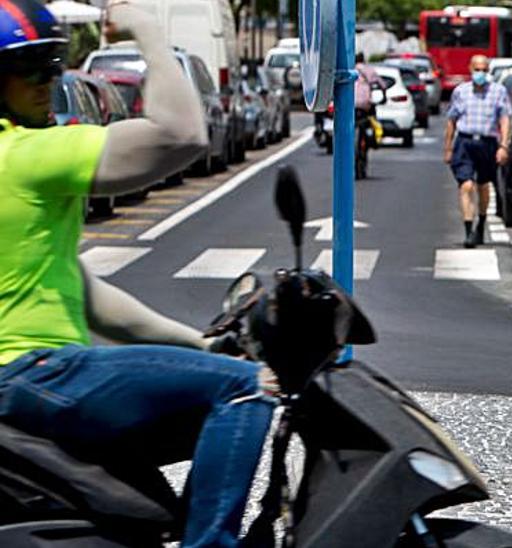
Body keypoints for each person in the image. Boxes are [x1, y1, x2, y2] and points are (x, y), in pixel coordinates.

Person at [0, 1, 275, 546]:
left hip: (32, 376)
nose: (48, 81)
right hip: (36, 370)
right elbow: (181, 135)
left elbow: (89, 296)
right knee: (246, 390)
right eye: (30, 69)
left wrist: (203, 344)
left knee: (157, 497)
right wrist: (147, 29)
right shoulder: (26, 155)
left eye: (54, 66)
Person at [444, 54, 512, 248]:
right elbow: (451, 120)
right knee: (466, 186)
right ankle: (468, 232)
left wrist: (503, 146)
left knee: (483, 186)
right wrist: (448, 148)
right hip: (465, 142)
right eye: (477, 69)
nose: (480, 74)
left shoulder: (498, 92)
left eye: (483, 70)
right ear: (470, 69)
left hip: (487, 143)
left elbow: (505, 119)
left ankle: (481, 225)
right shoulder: (461, 92)